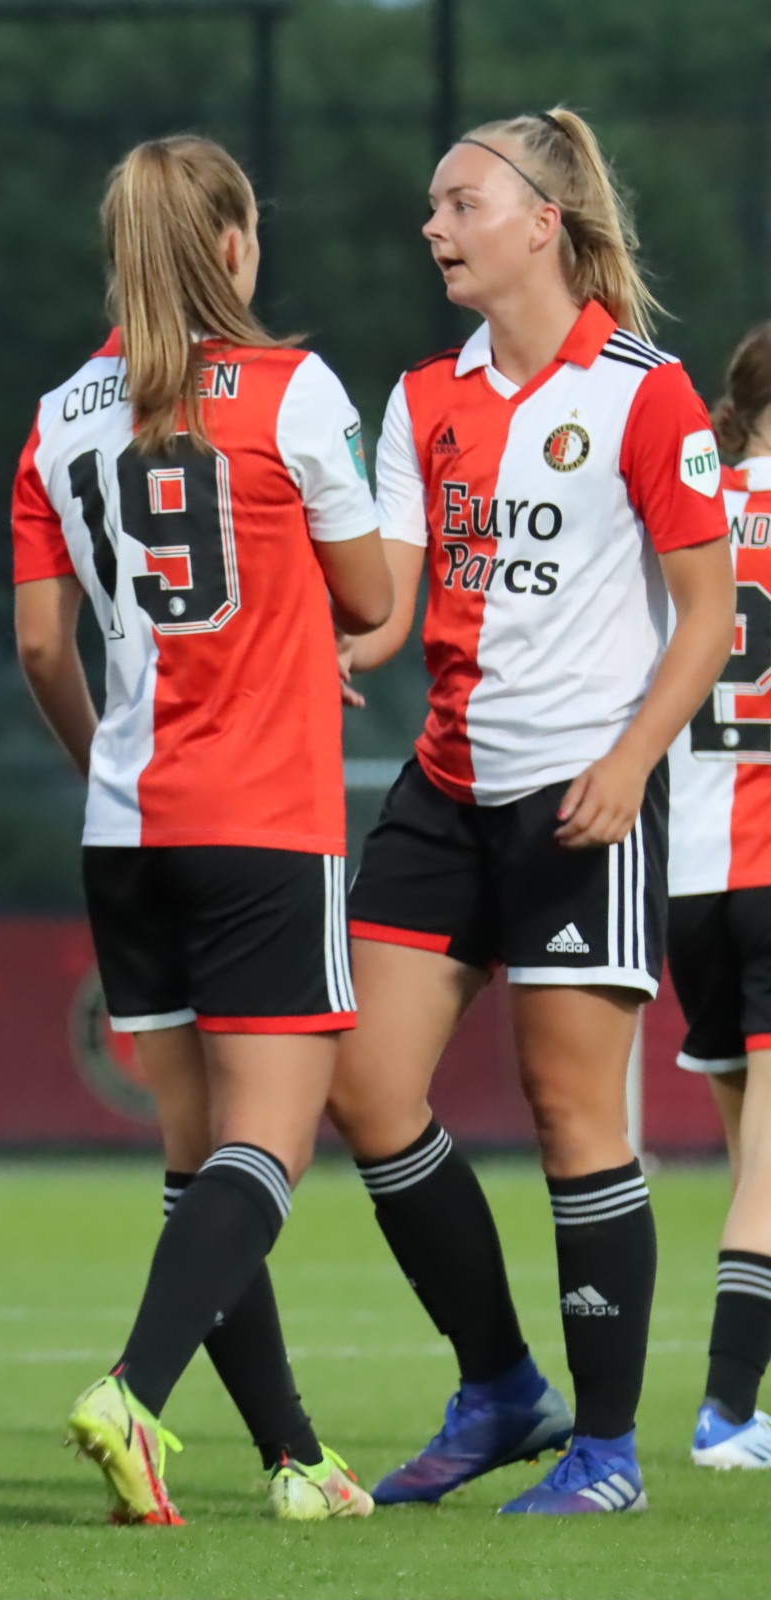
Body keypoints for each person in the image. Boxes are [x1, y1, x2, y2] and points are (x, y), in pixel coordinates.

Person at [336, 107, 735, 1515]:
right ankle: (502, 1384)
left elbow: (705, 616)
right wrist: (309, 637)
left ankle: (610, 1454)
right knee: (364, 1090)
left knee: (574, 1115)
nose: (434, 226)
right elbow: (382, 608)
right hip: (444, 791)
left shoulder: (645, 390)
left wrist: (632, 764)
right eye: (434, 206)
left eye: (460, 203)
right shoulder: (421, 397)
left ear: (541, 224)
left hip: (584, 798)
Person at [11, 135, 393, 1525]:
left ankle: (292, 1459)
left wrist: (105, 758)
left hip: (129, 828)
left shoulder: (59, 414)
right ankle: (134, 1393)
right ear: (234, 245)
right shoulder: (294, 392)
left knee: (200, 1169)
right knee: (269, 1151)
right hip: (268, 822)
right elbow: (362, 597)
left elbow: (44, 649)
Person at [665, 320, 771, 1469]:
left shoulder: (685, 512)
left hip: (690, 876)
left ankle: (748, 1406)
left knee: (758, 1170)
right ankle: (729, 1412)